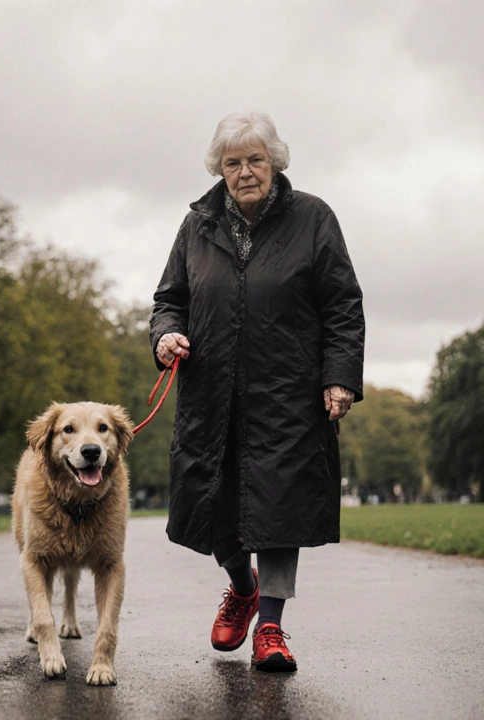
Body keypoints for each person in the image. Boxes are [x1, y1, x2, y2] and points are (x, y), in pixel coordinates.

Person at [150, 111, 364, 672]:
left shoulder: (313, 218)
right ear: (219, 169)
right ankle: (240, 588)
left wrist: (339, 375)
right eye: (233, 162)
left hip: (286, 395)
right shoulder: (196, 225)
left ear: (275, 162)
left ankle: (270, 625)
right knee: (216, 504)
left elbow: (343, 304)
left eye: (255, 160)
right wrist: (166, 334)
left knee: (279, 507)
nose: (245, 171)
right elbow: (169, 298)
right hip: (210, 393)